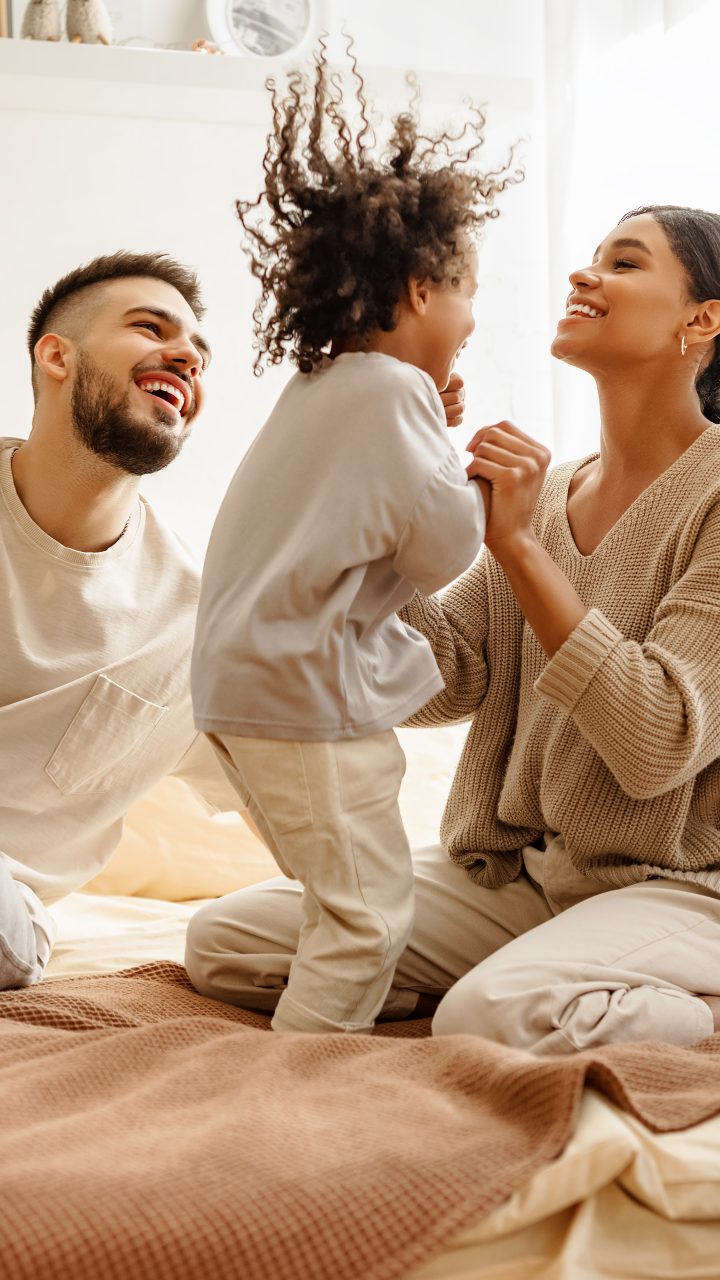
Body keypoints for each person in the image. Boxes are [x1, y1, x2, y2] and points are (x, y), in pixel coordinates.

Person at [187, 203, 720, 1054]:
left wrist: (512, 547)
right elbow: (453, 672)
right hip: (525, 876)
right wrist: (385, 493)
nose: (585, 275)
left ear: (704, 320)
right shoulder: (549, 494)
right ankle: (548, 970)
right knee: (227, 944)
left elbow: (658, 740)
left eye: (623, 263)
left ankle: (687, 1002)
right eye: (589, 259)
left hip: (676, 888)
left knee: (492, 1014)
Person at [188, 46, 523, 1035]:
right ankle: (298, 1096)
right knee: (368, 918)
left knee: (339, 902)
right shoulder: (394, 396)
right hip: (305, 699)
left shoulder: (329, 385)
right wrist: (481, 477)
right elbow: (443, 550)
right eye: (467, 295)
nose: (472, 321)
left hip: (240, 690)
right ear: (422, 288)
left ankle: (320, 1037)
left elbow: (371, 511)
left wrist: (431, 427)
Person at [0, 250, 249, 991]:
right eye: (150, 327)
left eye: (200, 354)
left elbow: (305, 802)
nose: (186, 357)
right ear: (57, 356)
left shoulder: (200, 624)